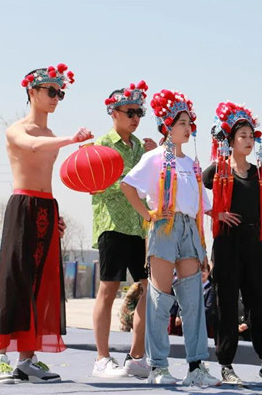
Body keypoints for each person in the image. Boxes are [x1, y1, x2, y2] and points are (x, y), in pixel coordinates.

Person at [0, 64, 93, 384]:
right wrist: (71, 139)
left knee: (41, 283)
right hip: (22, 206)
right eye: (51, 91)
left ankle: (27, 360)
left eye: (60, 93)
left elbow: (47, 158)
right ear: (32, 91)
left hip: (47, 207)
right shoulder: (17, 130)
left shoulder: (50, 135)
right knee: (14, 280)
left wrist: (53, 215)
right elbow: (32, 146)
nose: (55, 98)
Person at [121, 89, 220, 386]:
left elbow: (203, 204)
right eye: (182, 123)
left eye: (189, 123)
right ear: (168, 126)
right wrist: (148, 214)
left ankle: (196, 366)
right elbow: (128, 186)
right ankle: (158, 366)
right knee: (160, 298)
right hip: (164, 226)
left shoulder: (192, 164)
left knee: (192, 299)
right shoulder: (153, 158)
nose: (188, 128)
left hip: (189, 228)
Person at [203, 101, 262, 386]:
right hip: (227, 242)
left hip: (254, 243)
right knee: (226, 303)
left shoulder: (260, 174)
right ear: (231, 140)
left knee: (260, 303)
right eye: (242, 136)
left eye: (251, 136)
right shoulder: (219, 170)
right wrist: (217, 213)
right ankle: (226, 364)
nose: (249, 141)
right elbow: (194, 193)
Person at [91, 80, 155, 379]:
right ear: (113, 112)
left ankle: (136, 356)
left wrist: (155, 156)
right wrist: (131, 186)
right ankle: (102, 358)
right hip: (113, 225)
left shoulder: (141, 147)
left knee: (150, 288)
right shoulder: (101, 146)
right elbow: (96, 185)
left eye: (139, 112)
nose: (135, 117)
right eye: (130, 112)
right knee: (108, 289)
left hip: (139, 229)